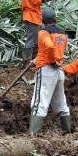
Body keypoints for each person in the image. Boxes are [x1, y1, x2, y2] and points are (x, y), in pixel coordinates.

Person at [29, 8, 70, 136]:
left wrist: (52, 61)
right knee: (61, 102)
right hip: (59, 72)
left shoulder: (43, 33)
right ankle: (67, 132)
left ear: (42, 21)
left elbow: (50, 46)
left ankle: (33, 134)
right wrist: (39, 59)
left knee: (39, 102)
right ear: (54, 20)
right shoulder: (62, 34)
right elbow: (55, 49)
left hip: (47, 70)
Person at [19, 0, 58, 66]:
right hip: (33, 16)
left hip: (28, 14)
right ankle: (26, 62)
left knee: (40, 37)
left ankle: (37, 59)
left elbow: (24, 1)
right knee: (32, 40)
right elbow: (36, 1)